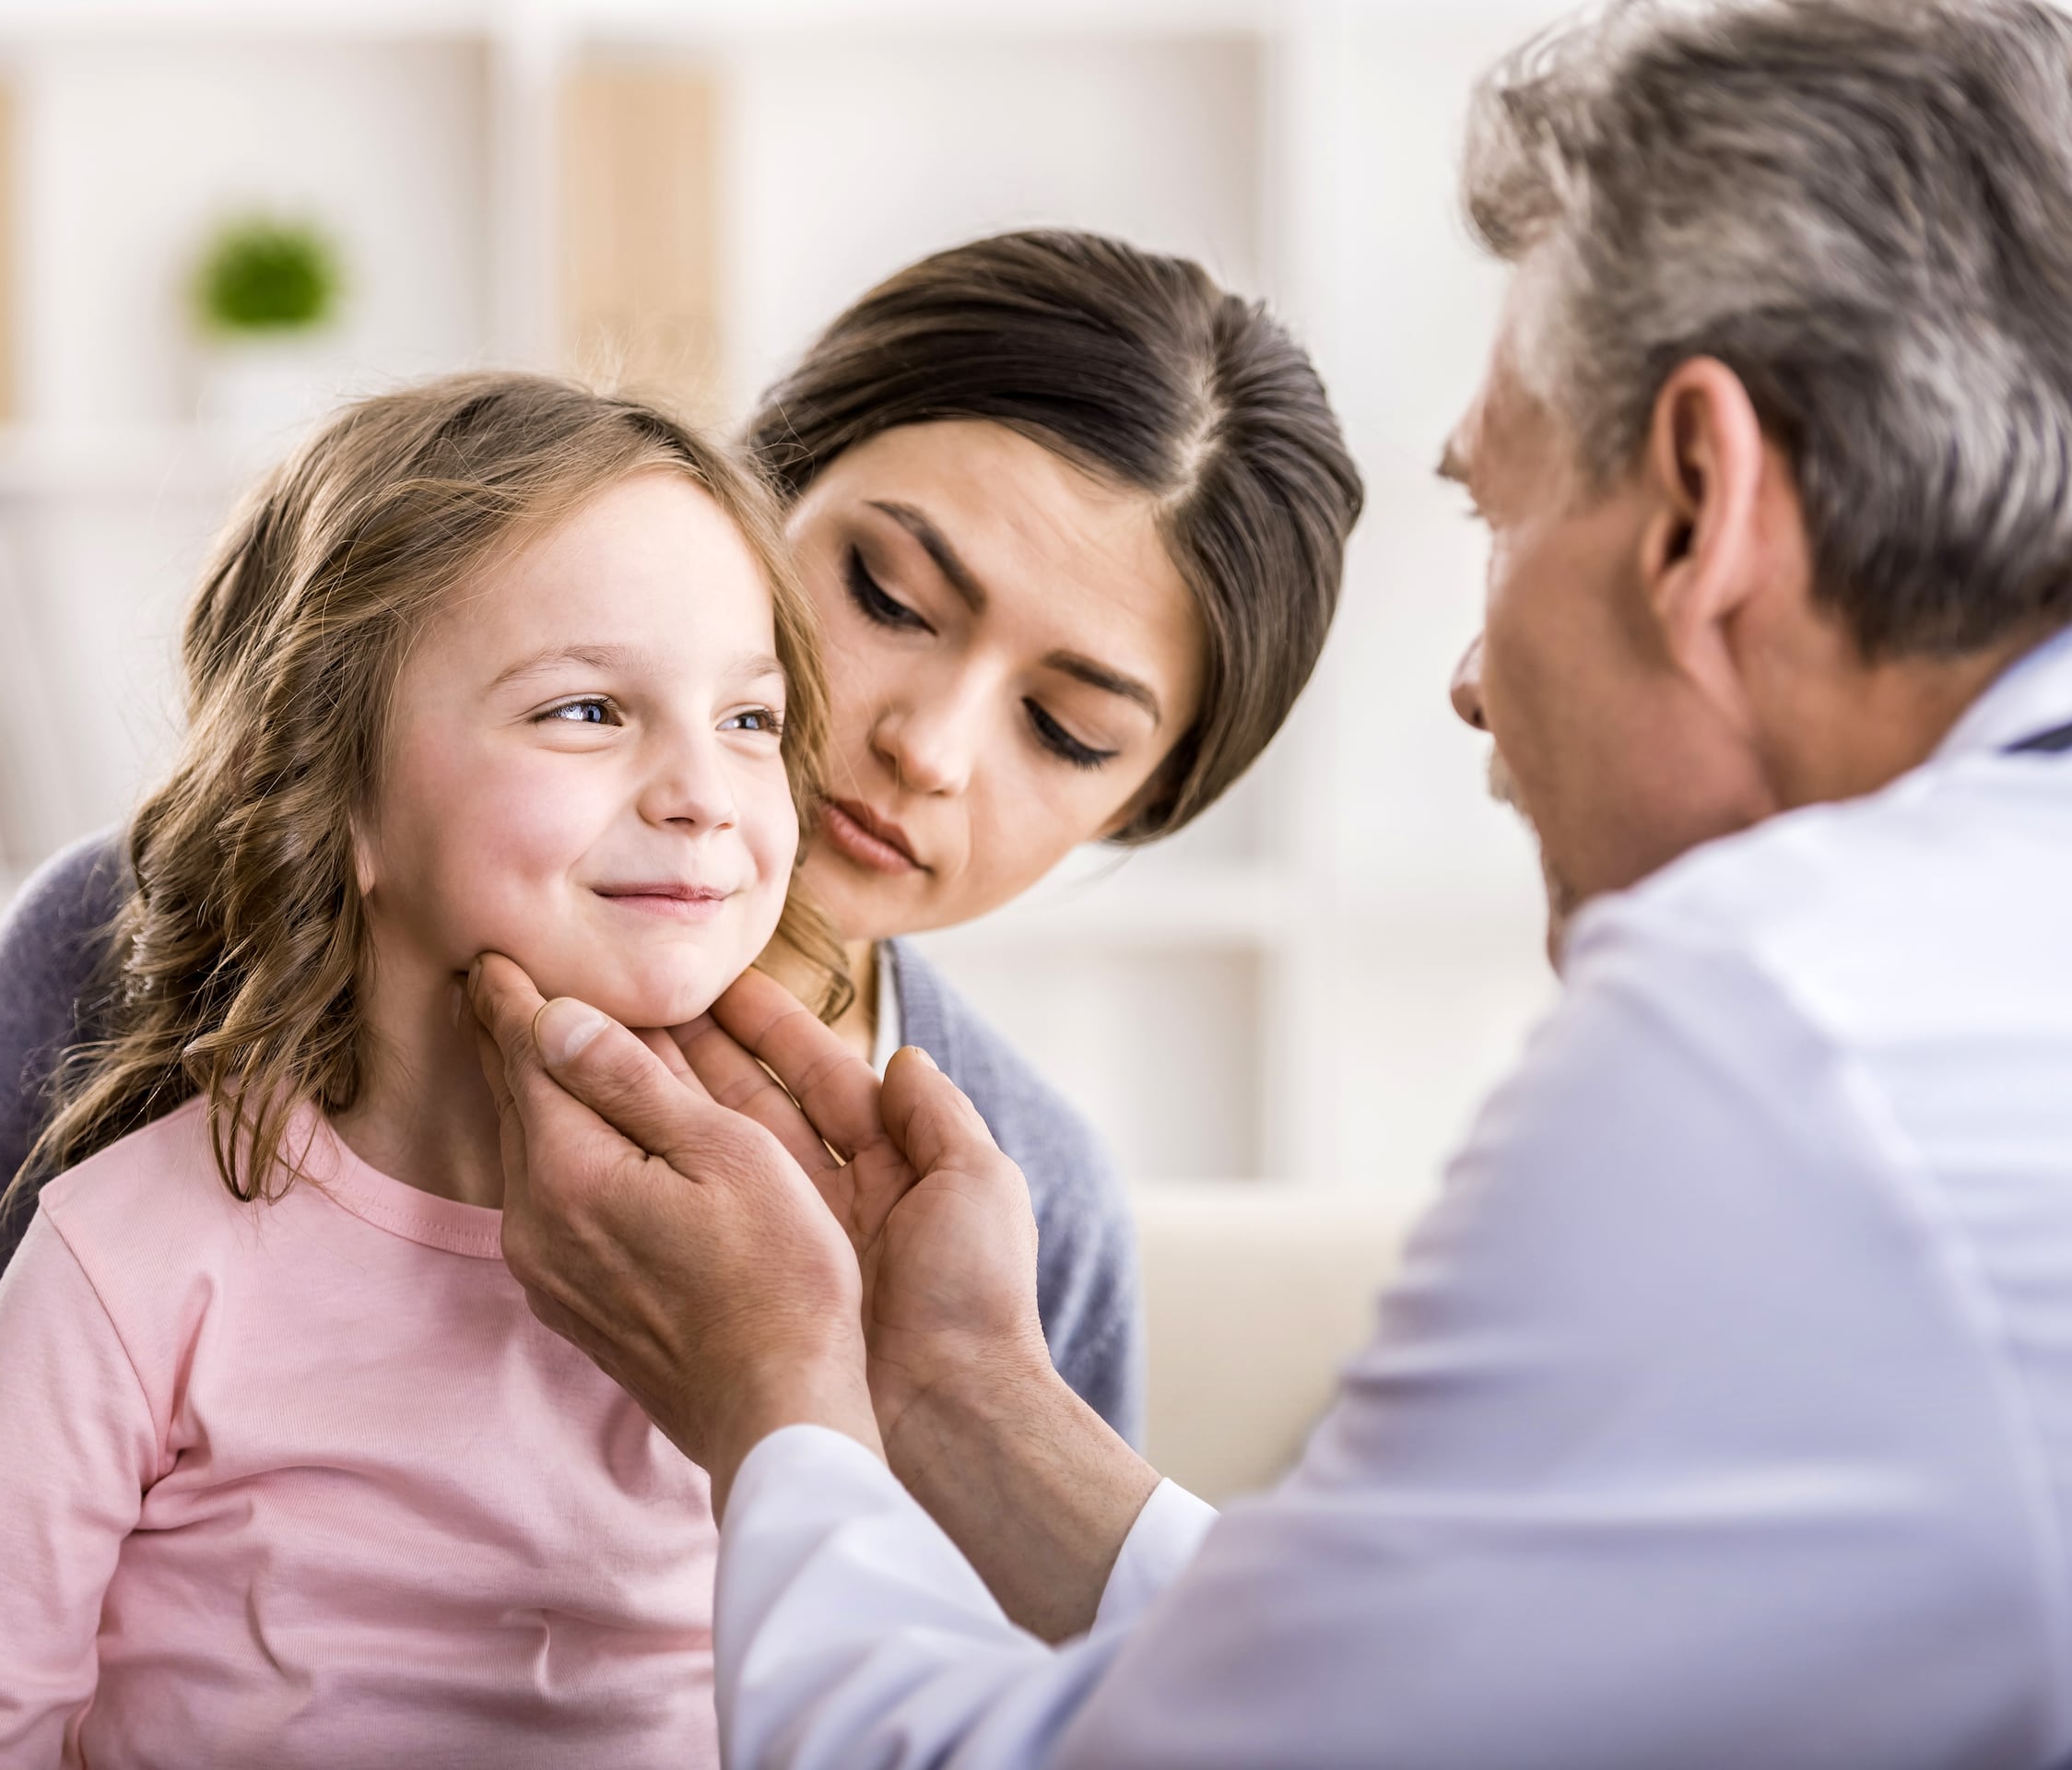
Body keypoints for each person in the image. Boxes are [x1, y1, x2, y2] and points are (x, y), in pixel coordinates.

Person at [464, 1, 2072, 1764]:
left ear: (1699, 509)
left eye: (1499, 514)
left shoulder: (1770, 1026)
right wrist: (956, 1394)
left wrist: (783, 1391)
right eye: (894, 595)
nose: (1467, 675)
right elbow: (1437, 1704)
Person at [0, 231, 1360, 1766]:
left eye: (1068, 732)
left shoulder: (1011, 1198)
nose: (931, 740)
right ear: (749, 498)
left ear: (1137, 808)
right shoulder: (147, 946)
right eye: (888, 597)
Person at [0, 372, 855, 1765]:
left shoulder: (799, 1252)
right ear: (334, 791)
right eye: (585, 711)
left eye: (751, 719)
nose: (706, 789)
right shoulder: (137, 1252)